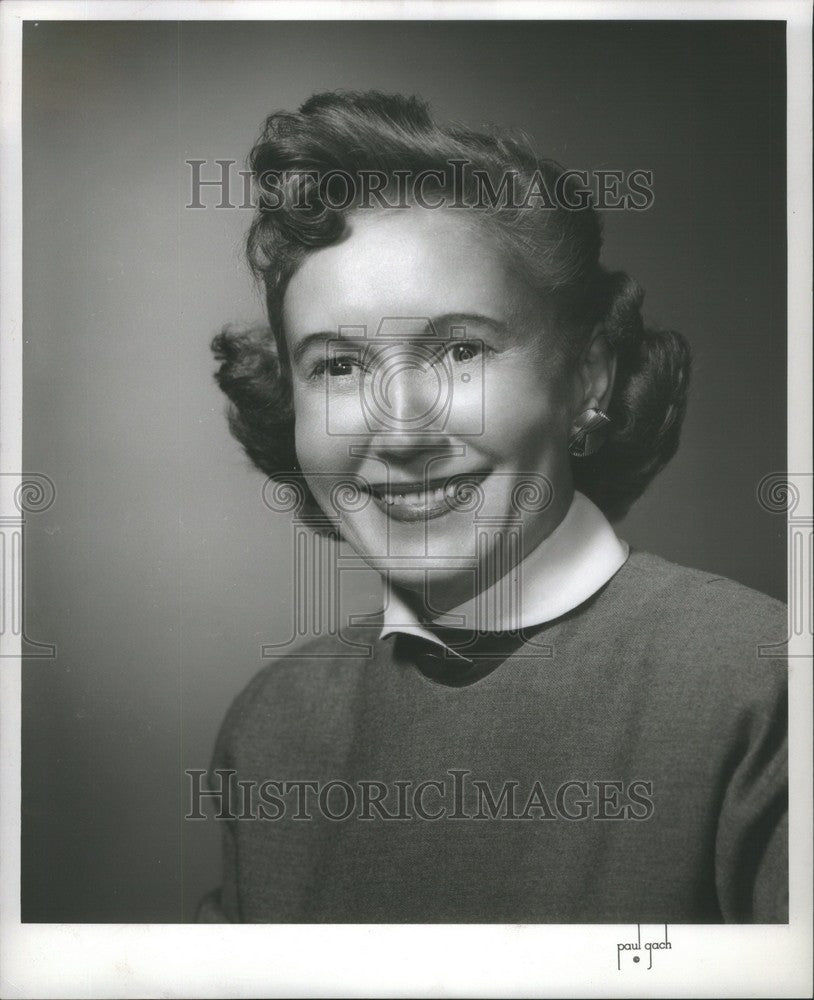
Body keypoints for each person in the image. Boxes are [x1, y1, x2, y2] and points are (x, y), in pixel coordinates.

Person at [197, 91, 787, 923]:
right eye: (337, 367)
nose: (400, 430)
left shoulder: (758, 689)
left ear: (587, 381)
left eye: (460, 350)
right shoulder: (273, 725)